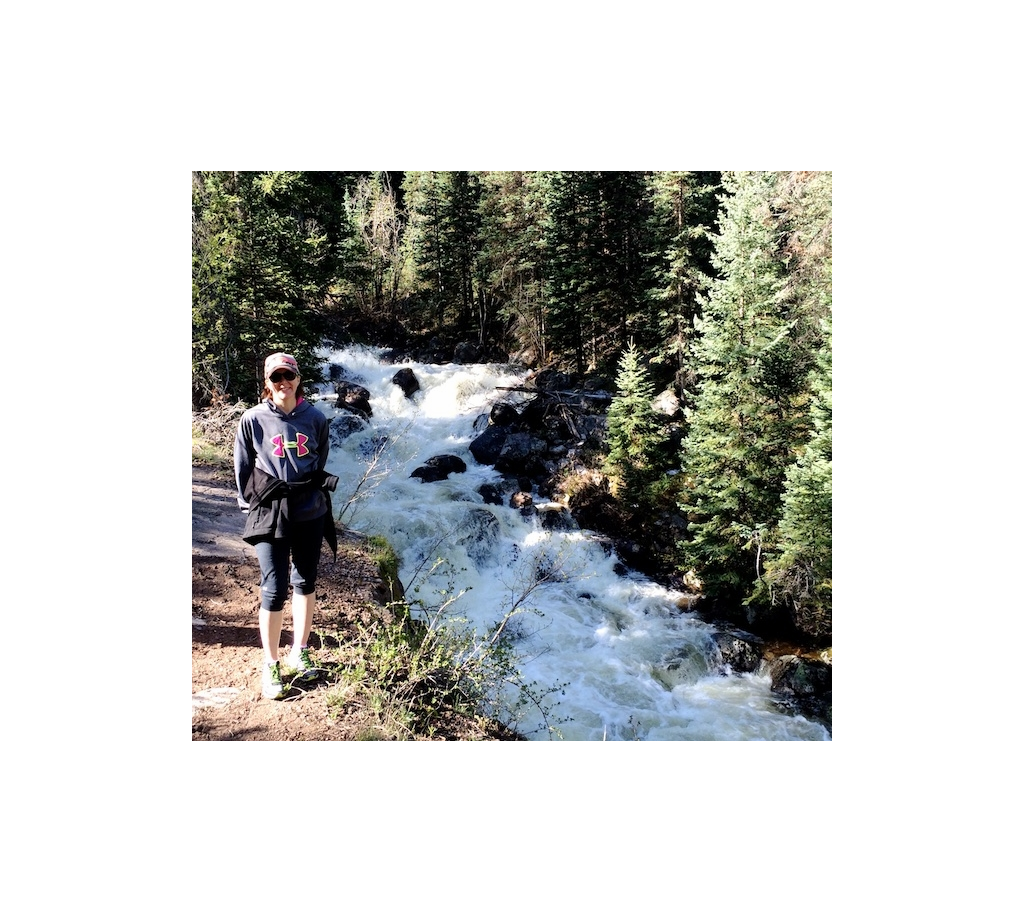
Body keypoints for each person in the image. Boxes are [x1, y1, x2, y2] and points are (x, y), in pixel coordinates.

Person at [234, 353, 337, 700]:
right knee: (274, 588)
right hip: (270, 510)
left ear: (298, 379)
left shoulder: (316, 418)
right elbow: (243, 467)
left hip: (310, 509)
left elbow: (319, 460)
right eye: (276, 377)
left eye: (288, 376)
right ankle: (271, 663)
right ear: (267, 382)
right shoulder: (252, 419)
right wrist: (250, 504)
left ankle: (299, 651)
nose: (283, 383)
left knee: (305, 581)